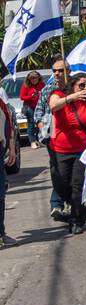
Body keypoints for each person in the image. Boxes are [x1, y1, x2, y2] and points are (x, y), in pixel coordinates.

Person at [48, 72, 86, 234]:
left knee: (77, 185)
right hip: (61, 149)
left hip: (83, 149)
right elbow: (53, 105)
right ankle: (79, 210)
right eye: (81, 85)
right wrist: (71, 97)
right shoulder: (59, 95)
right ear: (73, 85)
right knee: (61, 184)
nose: (85, 89)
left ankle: (75, 219)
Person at [33, 58, 69, 220]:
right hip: (52, 136)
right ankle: (56, 203)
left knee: (69, 171)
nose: (57, 73)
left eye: (61, 70)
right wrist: (43, 128)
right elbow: (38, 113)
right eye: (55, 70)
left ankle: (69, 201)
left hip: (73, 136)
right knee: (57, 169)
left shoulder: (74, 89)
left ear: (68, 71)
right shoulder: (47, 91)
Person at [0, 97, 17, 247]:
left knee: (0, 194)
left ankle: (1, 233)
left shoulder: (1, 103)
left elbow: (9, 126)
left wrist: (11, 147)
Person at [19, 71, 44, 147]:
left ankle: (39, 140)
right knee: (31, 124)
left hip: (39, 107)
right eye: (31, 78)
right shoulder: (26, 86)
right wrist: (31, 96)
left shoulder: (42, 85)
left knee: (39, 123)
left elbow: (45, 93)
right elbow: (22, 97)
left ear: (38, 78)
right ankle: (32, 141)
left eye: (34, 78)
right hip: (29, 106)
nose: (33, 80)